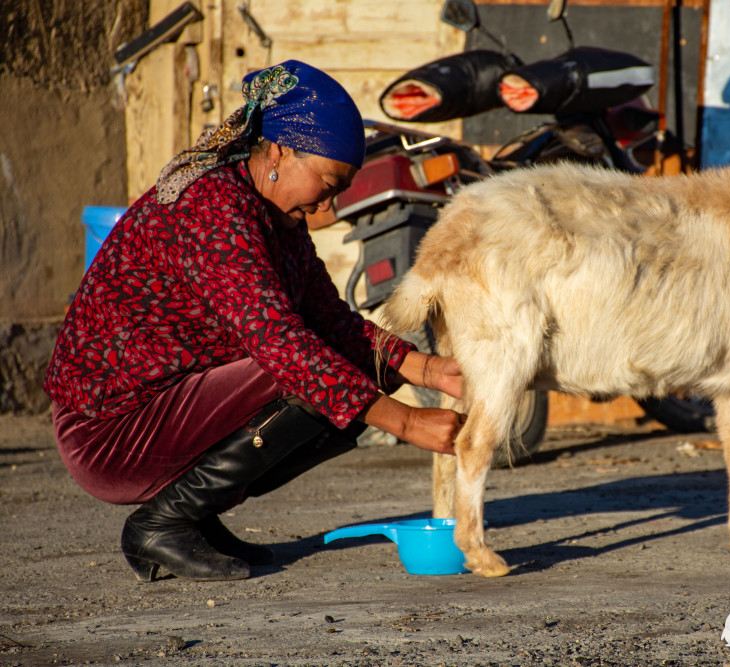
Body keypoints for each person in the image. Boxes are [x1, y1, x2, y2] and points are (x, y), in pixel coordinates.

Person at [44, 60, 466, 583]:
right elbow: (282, 343)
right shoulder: (213, 207)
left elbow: (331, 318)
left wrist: (428, 370)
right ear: (281, 152)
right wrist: (405, 422)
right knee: (298, 365)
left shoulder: (274, 215)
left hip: (164, 410)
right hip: (107, 435)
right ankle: (161, 524)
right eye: (328, 185)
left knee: (347, 366)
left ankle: (192, 514)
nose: (329, 208)